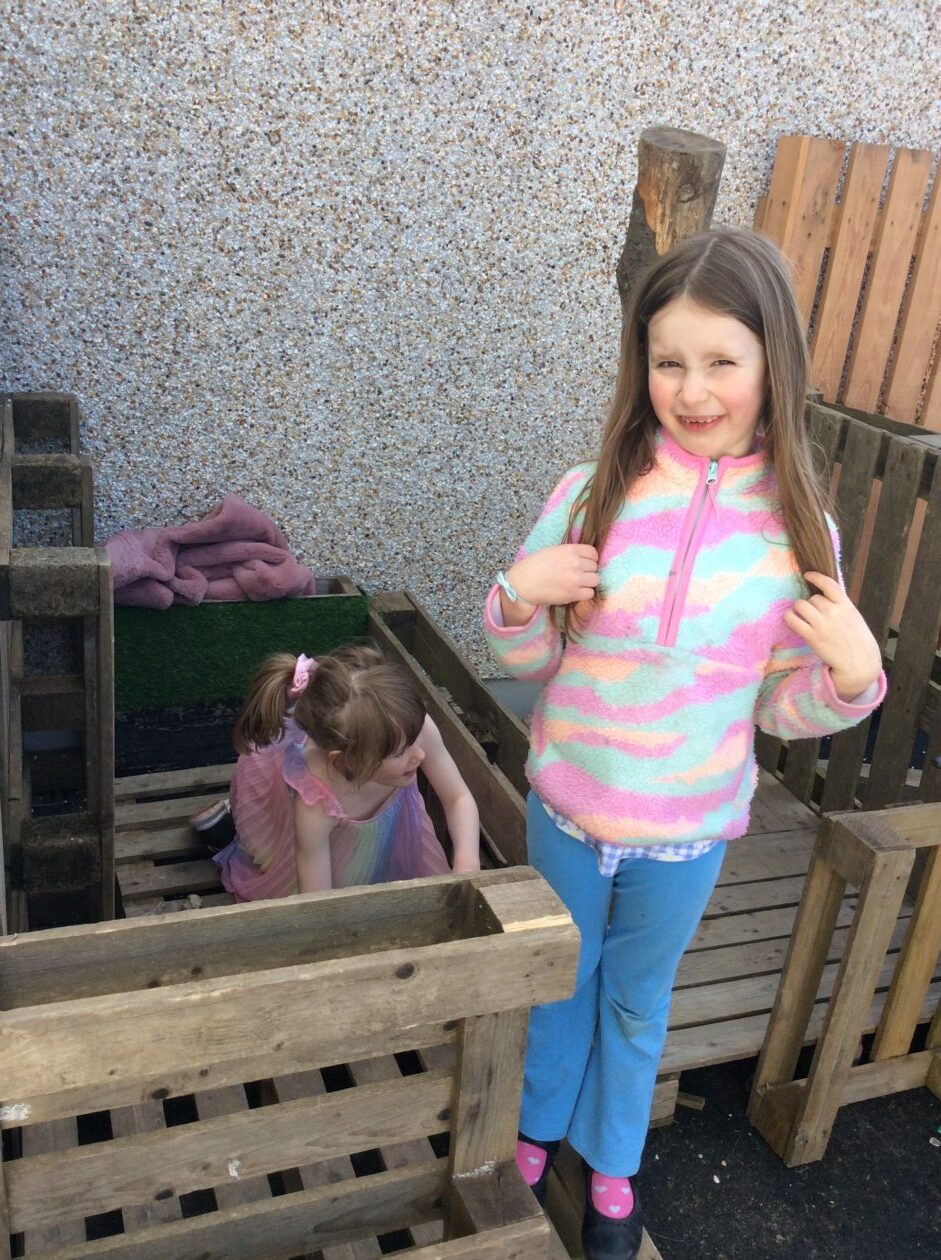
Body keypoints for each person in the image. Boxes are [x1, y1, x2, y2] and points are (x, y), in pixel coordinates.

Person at [484, 227, 885, 1260]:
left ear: (771, 364)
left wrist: (848, 679)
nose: (693, 390)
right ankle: (535, 1128)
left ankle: (611, 1160)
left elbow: (780, 706)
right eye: (668, 362)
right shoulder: (590, 494)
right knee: (556, 982)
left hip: (687, 833)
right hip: (567, 809)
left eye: (721, 361)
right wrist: (514, 599)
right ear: (641, 365)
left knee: (634, 1000)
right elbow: (530, 658)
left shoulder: (801, 532)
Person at [197, 644, 480, 898]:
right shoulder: (316, 806)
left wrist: (467, 863)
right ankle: (231, 832)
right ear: (346, 761)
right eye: (399, 753)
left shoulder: (408, 729)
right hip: (319, 847)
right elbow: (318, 899)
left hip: (392, 839)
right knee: (267, 849)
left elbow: (458, 798)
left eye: (415, 740)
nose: (420, 755)